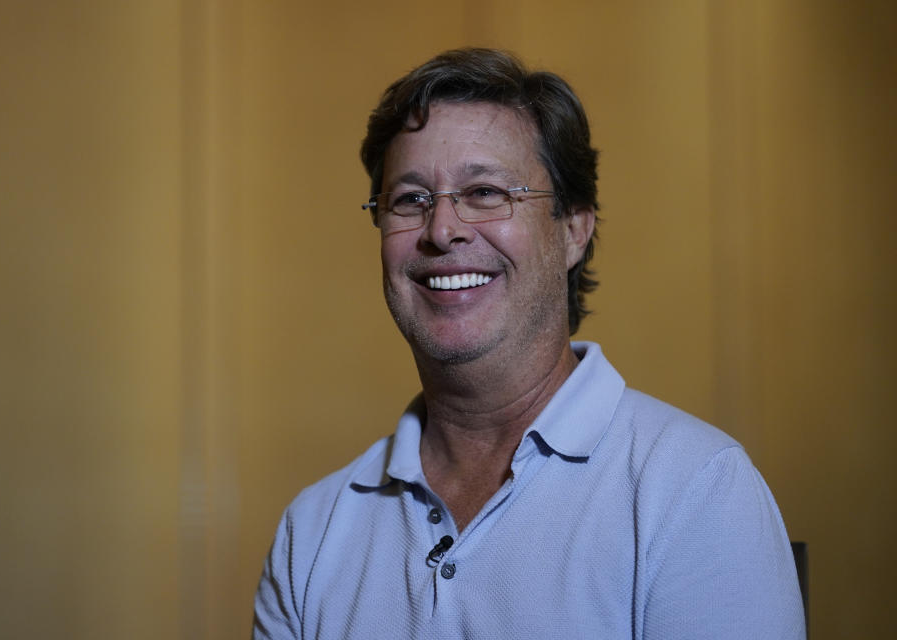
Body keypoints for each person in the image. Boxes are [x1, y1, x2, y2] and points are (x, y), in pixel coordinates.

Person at [253, 48, 805, 639]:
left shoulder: (696, 491)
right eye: (411, 199)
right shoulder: (311, 534)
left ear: (573, 229)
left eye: (486, 192)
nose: (442, 230)